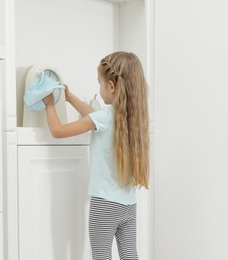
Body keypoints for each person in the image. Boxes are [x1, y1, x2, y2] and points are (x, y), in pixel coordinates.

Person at [43, 51, 149, 260]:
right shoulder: (133, 119)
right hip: (128, 205)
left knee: (101, 257)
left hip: (104, 206)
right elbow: (94, 115)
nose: (98, 88)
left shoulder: (104, 117)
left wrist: (49, 104)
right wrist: (71, 98)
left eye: (99, 82)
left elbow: (57, 131)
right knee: (130, 256)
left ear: (111, 86)